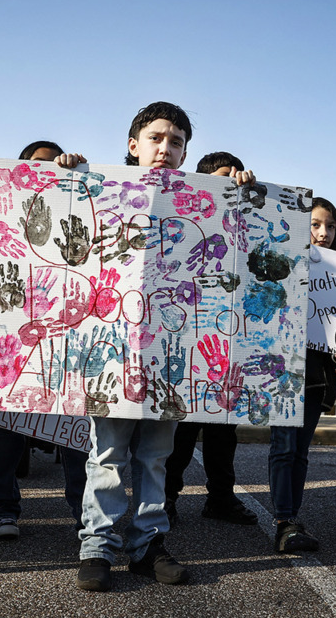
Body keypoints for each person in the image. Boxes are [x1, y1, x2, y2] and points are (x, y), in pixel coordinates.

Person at [77, 101, 204, 592]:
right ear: (133, 145)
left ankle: (149, 545)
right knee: (108, 455)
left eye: (176, 142)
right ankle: (98, 547)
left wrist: (241, 189)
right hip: (112, 352)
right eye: (156, 138)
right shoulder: (104, 192)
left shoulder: (200, 203)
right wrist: (63, 172)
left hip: (171, 357)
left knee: (155, 457)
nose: (165, 148)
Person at [0, 140, 89, 539]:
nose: (47, 170)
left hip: (70, 341)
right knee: (5, 427)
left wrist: (77, 172)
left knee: (77, 430)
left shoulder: (80, 211)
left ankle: (85, 513)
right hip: (16, 333)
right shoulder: (4, 217)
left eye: (53, 165)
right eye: (37, 166)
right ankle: (1, 508)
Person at [163, 151, 259, 529]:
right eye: (224, 174)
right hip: (190, 340)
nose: (232, 179)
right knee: (181, 434)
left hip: (226, 341)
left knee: (224, 434)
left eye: (236, 173)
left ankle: (220, 498)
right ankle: (167, 498)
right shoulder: (185, 215)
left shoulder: (244, 218)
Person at [270, 196, 336, 552]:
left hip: (317, 380)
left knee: (300, 453)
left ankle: (291, 517)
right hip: (282, 375)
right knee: (284, 448)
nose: (324, 233)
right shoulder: (280, 267)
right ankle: (284, 519)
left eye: (331, 226)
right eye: (316, 225)